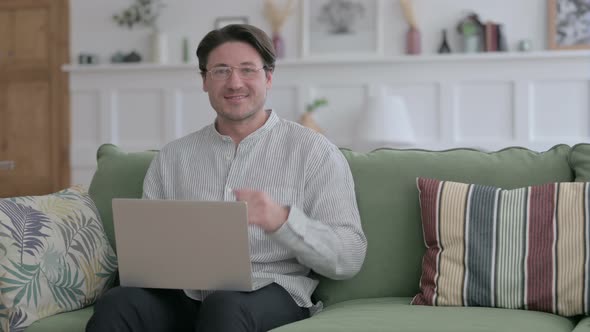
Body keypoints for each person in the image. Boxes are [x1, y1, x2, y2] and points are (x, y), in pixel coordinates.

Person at [86, 24, 367, 332]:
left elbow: (349, 256)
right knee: (118, 303)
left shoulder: (314, 152)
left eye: (247, 70)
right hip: (183, 294)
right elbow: (148, 253)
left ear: (268, 77)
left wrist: (282, 220)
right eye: (221, 71)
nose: (235, 83)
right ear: (205, 80)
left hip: (269, 292)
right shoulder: (173, 157)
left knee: (226, 305)